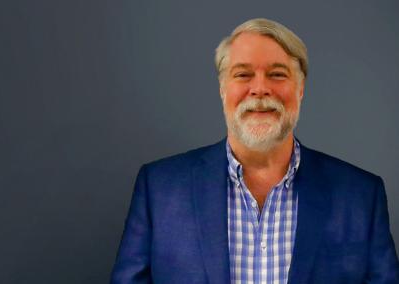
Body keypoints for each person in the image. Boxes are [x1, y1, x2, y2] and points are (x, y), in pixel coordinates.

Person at [110, 18, 399, 283]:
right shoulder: (160, 190)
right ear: (223, 89)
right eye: (243, 74)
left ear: (301, 89)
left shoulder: (361, 196)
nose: (260, 89)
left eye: (277, 74)